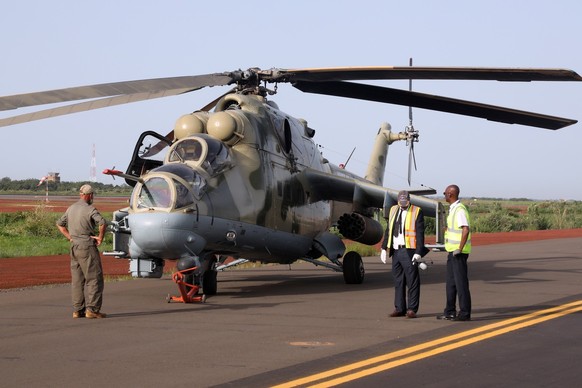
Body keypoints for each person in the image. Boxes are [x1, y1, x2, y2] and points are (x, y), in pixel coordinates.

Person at [56, 184, 107, 319]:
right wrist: (100, 237)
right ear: (89, 195)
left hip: (74, 247)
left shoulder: (71, 208)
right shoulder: (90, 209)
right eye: (92, 195)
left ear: (80, 194)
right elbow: (102, 222)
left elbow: (60, 224)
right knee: (94, 278)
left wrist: (70, 237)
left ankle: (78, 310)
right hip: (87, 247)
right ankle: (93, 310)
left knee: (77, 280)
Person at [380, 190, 428, 319]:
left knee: (412, 281)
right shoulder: (393, 210)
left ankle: (412, 309)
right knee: (398, 281)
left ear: (409, 200)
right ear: (397, 201)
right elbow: (389, 229)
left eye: (405, 202)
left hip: (409, 251)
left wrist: (418, 252)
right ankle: (399, 308)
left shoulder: (417, 211)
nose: (403, 205)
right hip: (396, 250)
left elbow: (420, 233)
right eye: (400, 203)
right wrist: (384, 248)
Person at [437, 184, 472, 321]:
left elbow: (465, 229)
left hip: (458, 253)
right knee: (451, 283)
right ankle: (450, 311)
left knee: (461, 283)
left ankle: (465, 313)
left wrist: (460, 248)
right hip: (452, 252)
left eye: (445, 192)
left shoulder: (459, 210)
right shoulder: (453, 209)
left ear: (450, 194)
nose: (444, 194)